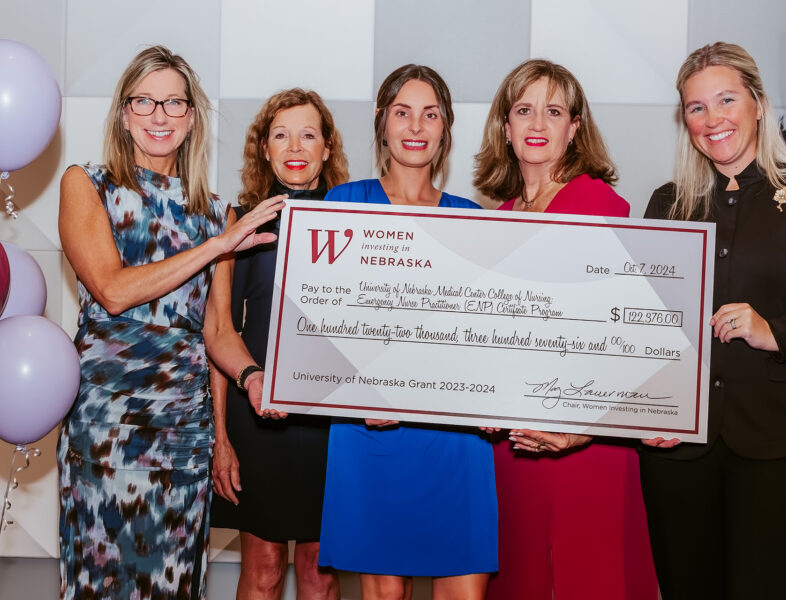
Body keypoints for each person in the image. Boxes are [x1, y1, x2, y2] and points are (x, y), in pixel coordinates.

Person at [638, 42, 786, 599]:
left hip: (782, 445)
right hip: (679, 450)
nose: (713, 118)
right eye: (696, 107)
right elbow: (648, 326)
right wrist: (647, 408)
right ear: (685, 120)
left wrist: (777, 331)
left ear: (758, 104)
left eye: (726, 99)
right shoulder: (667, 203)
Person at [57, 46, 284, 599]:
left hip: (183, 433)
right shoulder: (87, 185)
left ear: (190, 117)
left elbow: (218, 333)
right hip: (105, 427)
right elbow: (112, 290)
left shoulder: (215, 213)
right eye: (145, 101)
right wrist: (216, 248)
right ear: (124, 112)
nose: (159, 115)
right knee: (100, 584)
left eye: (174, 103)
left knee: (174, 583)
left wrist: (255, 378)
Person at [472, 59, 658, 600]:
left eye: (553, 111)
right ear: (505, 127)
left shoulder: (600, 205)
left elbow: (633, 339)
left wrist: (583, 427)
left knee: (589, 578)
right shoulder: (497, 218)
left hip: (586, 444)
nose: (537, 123)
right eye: (524, 109)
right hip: (514, 447)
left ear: (574, 127)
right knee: (521, 578)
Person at [317, 64, 497, 600]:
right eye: (402, 112)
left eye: (430, 114)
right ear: (381, 120)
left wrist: (494, 399)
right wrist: (355, 397)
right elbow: (317, 331)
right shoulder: (342, 205)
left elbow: (486, 339)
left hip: (455, 440)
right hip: (370, 433)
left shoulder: (474, 220)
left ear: (445, 127)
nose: (415, 126)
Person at [203, 89, 349, 600]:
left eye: (308, 134)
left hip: (332, 423)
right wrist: (221, 438)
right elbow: (220, 333)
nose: (295, 146)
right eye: (281, 134)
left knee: (319, 573)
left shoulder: (356, 224)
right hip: (257, 410)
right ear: (263, 148)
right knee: (262, 571)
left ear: (327, 148)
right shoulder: (240, 222)